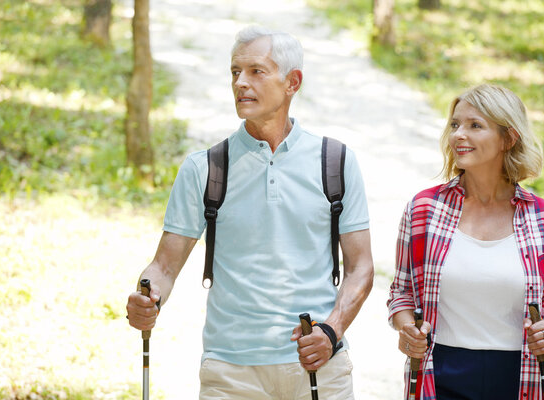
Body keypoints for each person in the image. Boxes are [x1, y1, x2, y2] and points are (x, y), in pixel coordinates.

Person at [126, 25, 374, 399]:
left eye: (257, 71)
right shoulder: (205, 168)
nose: (241, 82)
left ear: (293, 82)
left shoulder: (335, 162)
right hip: (229, 372)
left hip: (317, 366)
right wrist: (148, 298)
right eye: (235, 72)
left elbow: (361, 267)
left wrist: (332, 330)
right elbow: (163, 267)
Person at [387, 84, 544, 400]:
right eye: (455, 125)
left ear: (508, 138)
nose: (459, 134)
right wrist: (407, 330)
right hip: (440, 373)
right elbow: (402, 293)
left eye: (475, 125)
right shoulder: (424, 210)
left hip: (520, 376)